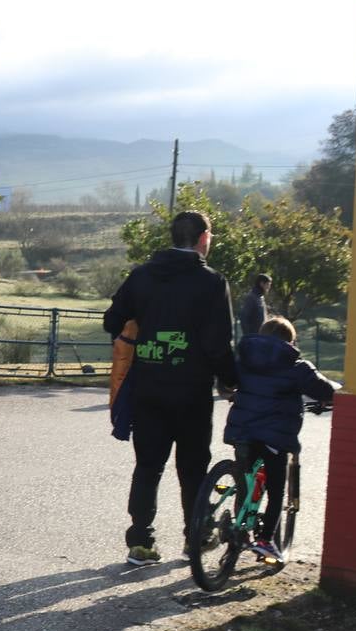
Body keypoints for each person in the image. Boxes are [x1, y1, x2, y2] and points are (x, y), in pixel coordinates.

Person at [103, 210, 238, 566]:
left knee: (147, 466)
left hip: (147, 387)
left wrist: (143, 330)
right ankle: (194, 540)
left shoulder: (142, 276)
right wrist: (231, 380)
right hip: (191, 391)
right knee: (193, 469)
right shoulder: (212, 282)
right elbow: (218, 343)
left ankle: (140, 544)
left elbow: (111, 320)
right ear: (203, 238)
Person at [223, 316, 336, 562]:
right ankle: (265, 542)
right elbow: (323, 389)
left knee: (245, 480)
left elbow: (229, 380)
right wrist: (333, 395)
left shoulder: (244, 358)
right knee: (275, 489)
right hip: (274, 437)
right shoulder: (296, 365)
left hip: (241, 431)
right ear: (290, 340)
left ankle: (240, 532)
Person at [239, 273, 272, 337]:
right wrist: (248, 336)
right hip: (254, 338)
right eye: (268, 284)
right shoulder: (251, 298)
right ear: (262, 283)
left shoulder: (260, 297)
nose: (269, 287)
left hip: (261, 337)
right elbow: (244, 318)